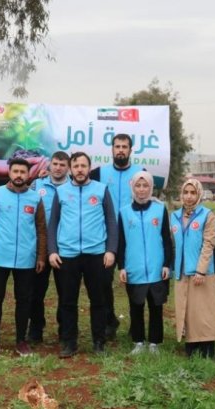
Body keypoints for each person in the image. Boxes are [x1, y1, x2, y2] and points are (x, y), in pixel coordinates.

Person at [48, 151, 117, 357]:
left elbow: (111, 222)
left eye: (83, 166)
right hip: (67, 254)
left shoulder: (101, 190)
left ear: (89, 168)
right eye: (76, 166)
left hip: (96, 254)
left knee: (98, 300)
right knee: (68, 301)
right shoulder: (61, 192)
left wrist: (111, 250)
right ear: (71, 168)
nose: (79, 169)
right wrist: (52, 251)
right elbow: (53, 224)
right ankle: (69, 342)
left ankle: (98, 342)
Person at [0, 158, 46, 358]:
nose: (19, 175)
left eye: (22, 172)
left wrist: (41, 255)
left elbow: (41, 229)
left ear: (28, 175)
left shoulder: (35, 199)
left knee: (24, 300)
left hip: (26, 259)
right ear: (9, 173)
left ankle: (21, 341)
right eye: (15, 171)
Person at [91, 133, 143, 340]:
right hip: (106, 235)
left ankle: (136, 324)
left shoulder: (141, 173)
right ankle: (109, 320)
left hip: (133, 236)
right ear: (112, 149)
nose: (120, 150)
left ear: (131, 150)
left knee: (133, 281)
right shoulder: (99, 173)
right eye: (117, 146)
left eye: (124, 146)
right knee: (103, 281)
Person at [118, 171, 172, 355]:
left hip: (157, 269)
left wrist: (166, 264)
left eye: (145, 186)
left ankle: (154, 343)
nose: (141, 190)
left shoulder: (159, 209)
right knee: (136, 307)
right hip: (134, 269)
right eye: (138, 186)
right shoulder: (124, 212)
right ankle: (138, 342)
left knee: (156, 307)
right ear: (132, 188)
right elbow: (121, 242)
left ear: (151, 188)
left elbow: (166, 239)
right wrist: (122, 266)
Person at [170, 178, 215, 358]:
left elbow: (209, 243)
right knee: (187, 310)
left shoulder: (207, 215)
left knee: (204, 312)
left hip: (202, 273)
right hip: (182, 272)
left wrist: (201, 270)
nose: (189, 197)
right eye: (186, 192)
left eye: (193, 193)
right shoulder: (174, 216)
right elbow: (172, 245)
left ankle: (207, 347)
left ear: (199, 194)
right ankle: (191, 347)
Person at [28, 151, 70, 344]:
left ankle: (64, 330)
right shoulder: (37, 185)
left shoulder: (73, 187)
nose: (58, 167)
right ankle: (36, 329)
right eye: (55, 164)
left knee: (65, 292)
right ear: (50, 165)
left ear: (68, 167)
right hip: (42, 248)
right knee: (36, 292)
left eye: (62, 164)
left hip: (64, 248)